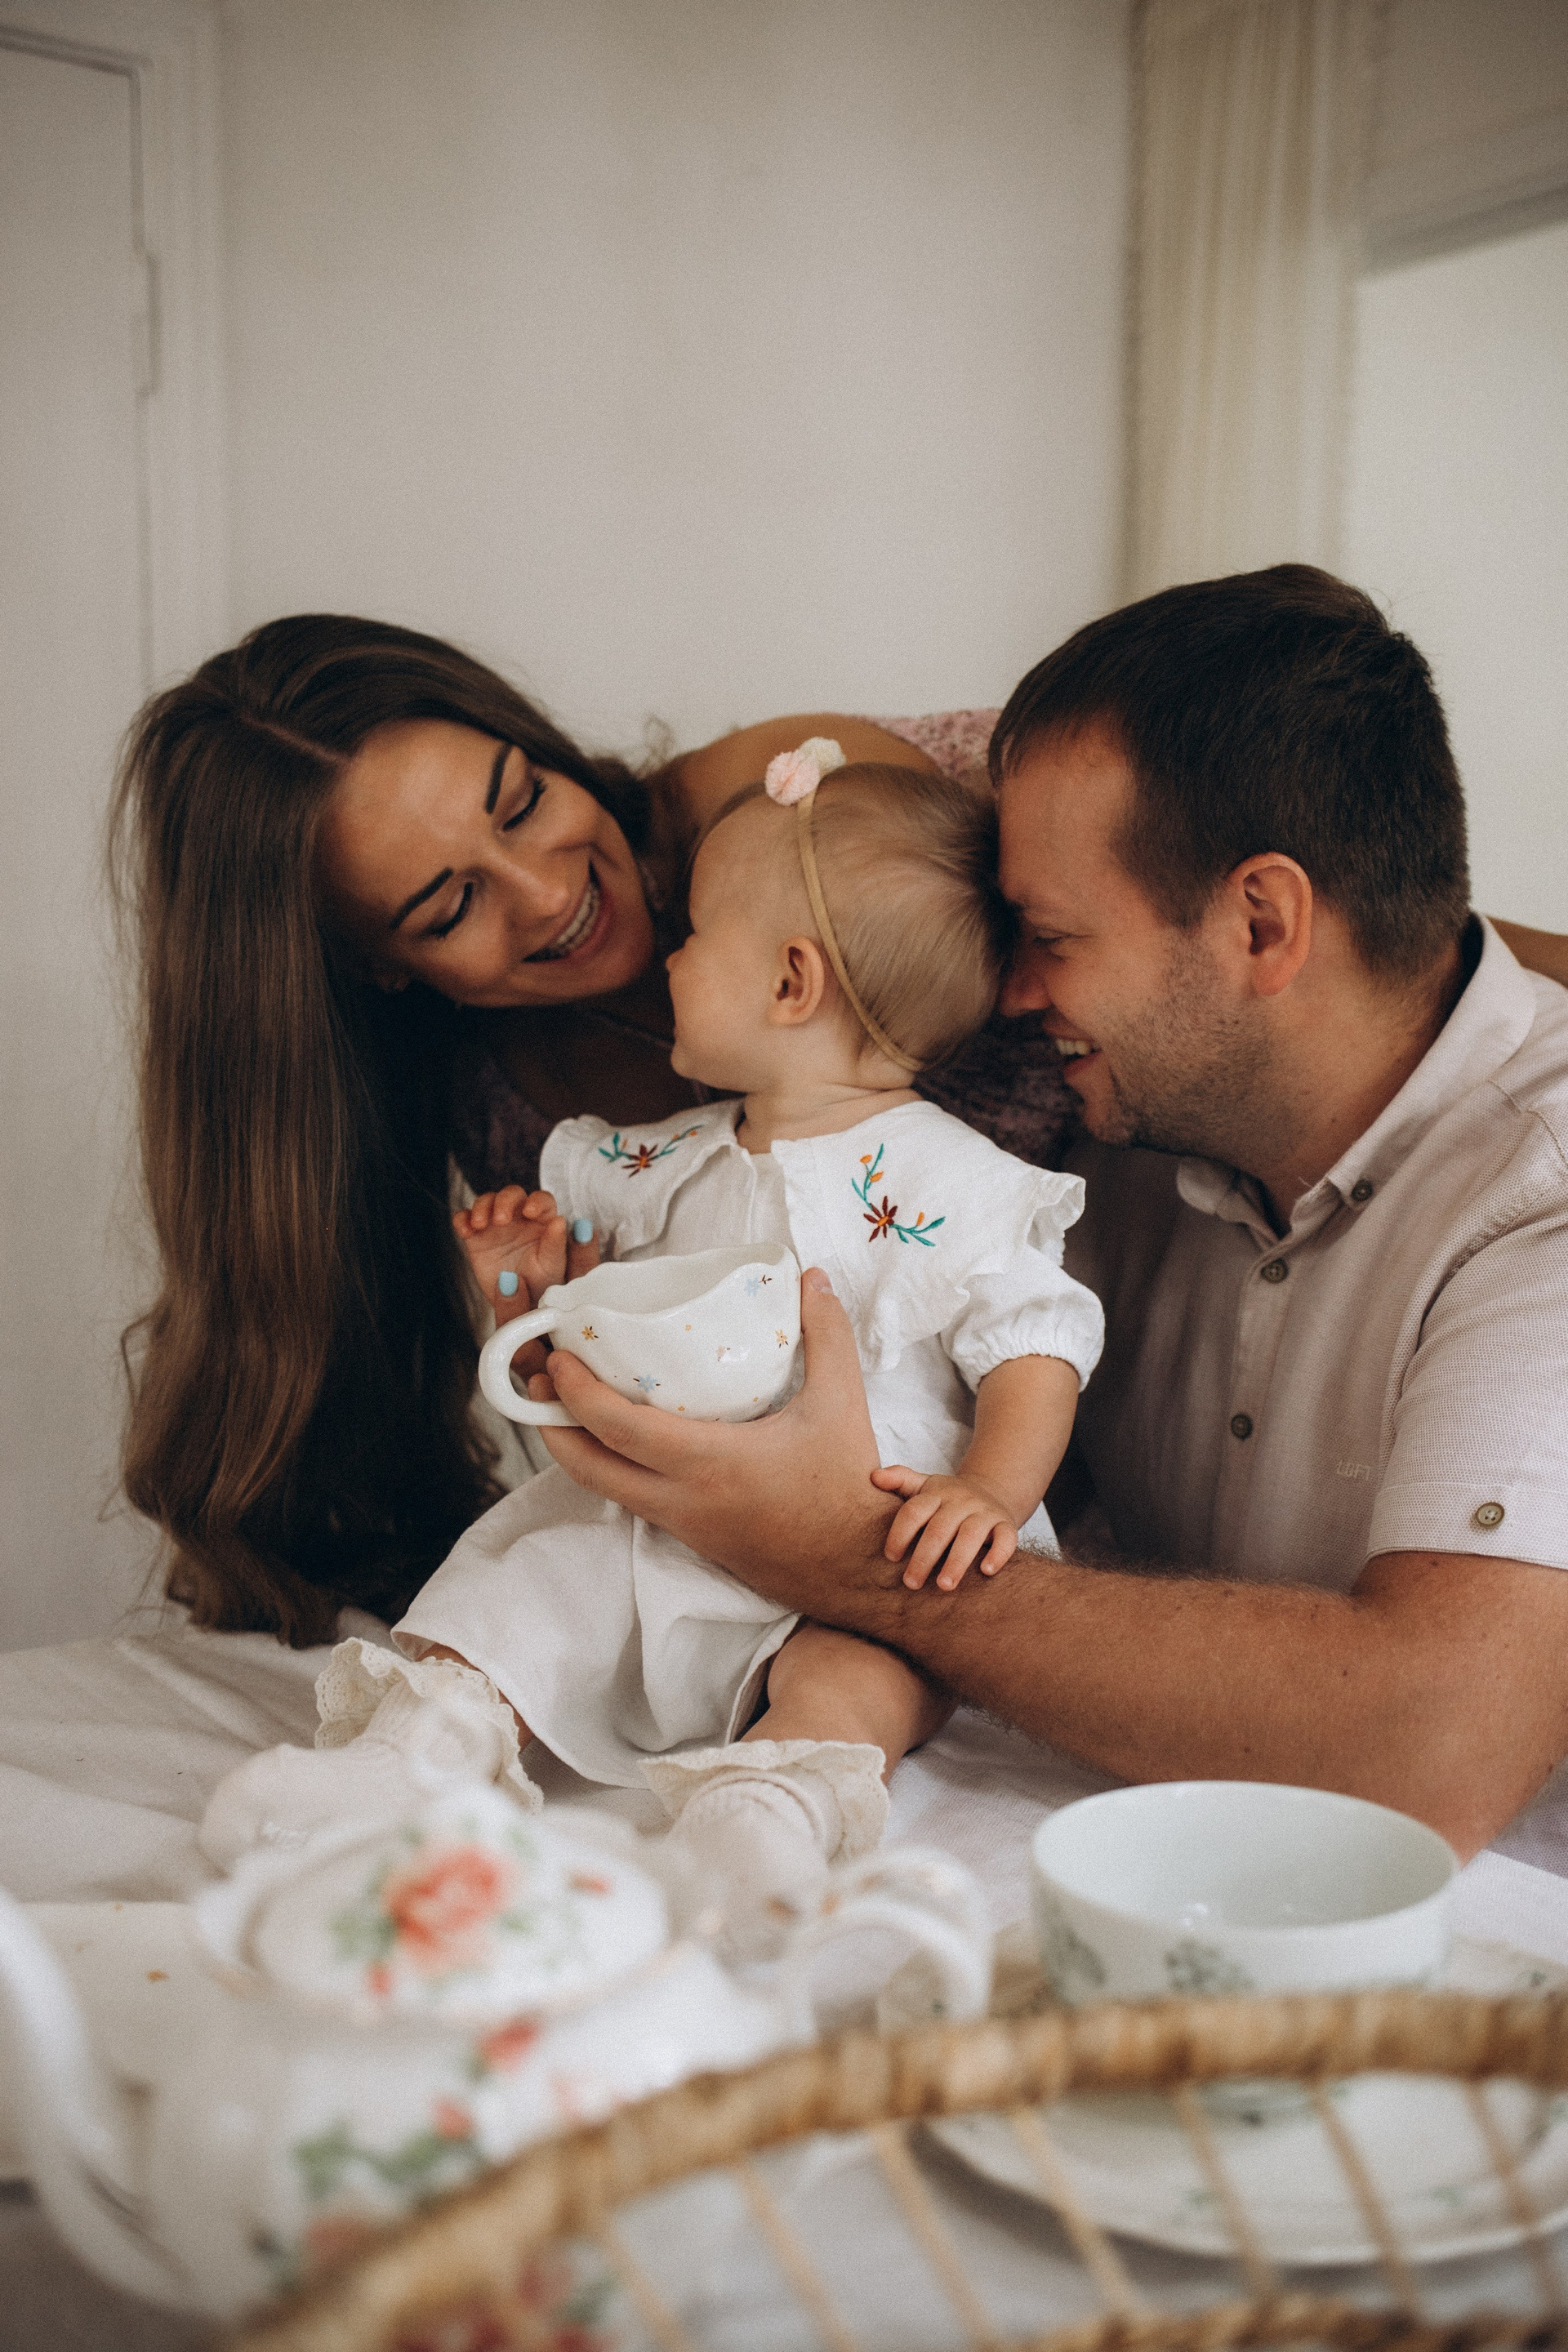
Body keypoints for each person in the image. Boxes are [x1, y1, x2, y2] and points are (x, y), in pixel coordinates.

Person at [510, 567, 1568, 1863]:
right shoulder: (1105, 1130)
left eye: (1049, 935)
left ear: (1262, 923)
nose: (1009, 997)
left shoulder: (1541, 1196)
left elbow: (1427, 1746)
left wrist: (845, 1555)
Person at [199, 746, 1102, 1945]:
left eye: (698, 935)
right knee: (524, 1578)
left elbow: (1035, 1343)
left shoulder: (954, 1178)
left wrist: (988, 1491)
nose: (668, 956)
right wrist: (536, 1293)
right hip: (658, 1530)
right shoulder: (661, 1159)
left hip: (868, 1531)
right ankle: (417, 1752)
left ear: (790, 982)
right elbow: (598, 1334)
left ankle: (769, 1805)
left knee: (869, 1673)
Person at [112, 617, 1071, 1650]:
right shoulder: (504, 1108)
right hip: (803, 1565)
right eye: (450, 908)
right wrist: (556, 1337)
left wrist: (992, 1486)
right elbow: (695, 1380)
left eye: (523, 802)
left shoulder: (793, 818)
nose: (548, 892)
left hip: (1015, 1481)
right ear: (373, 967)